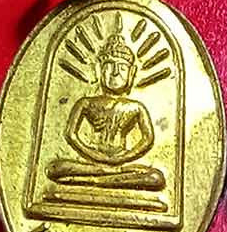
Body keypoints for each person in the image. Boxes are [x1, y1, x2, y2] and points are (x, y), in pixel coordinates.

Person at [46, 12, 165, 192]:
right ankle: (105, 177)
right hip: (91, 161)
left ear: (131, 73)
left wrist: (122, 158)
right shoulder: (86, 103)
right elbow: (71, 135)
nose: (115, 72)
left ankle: (96, 180)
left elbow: (147, 140)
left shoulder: (136, 107)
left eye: (122, 67)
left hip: (123, 163)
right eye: (109, 65)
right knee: (56, 168)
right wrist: (95, 156)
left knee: (155, 177)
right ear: (99, 69)